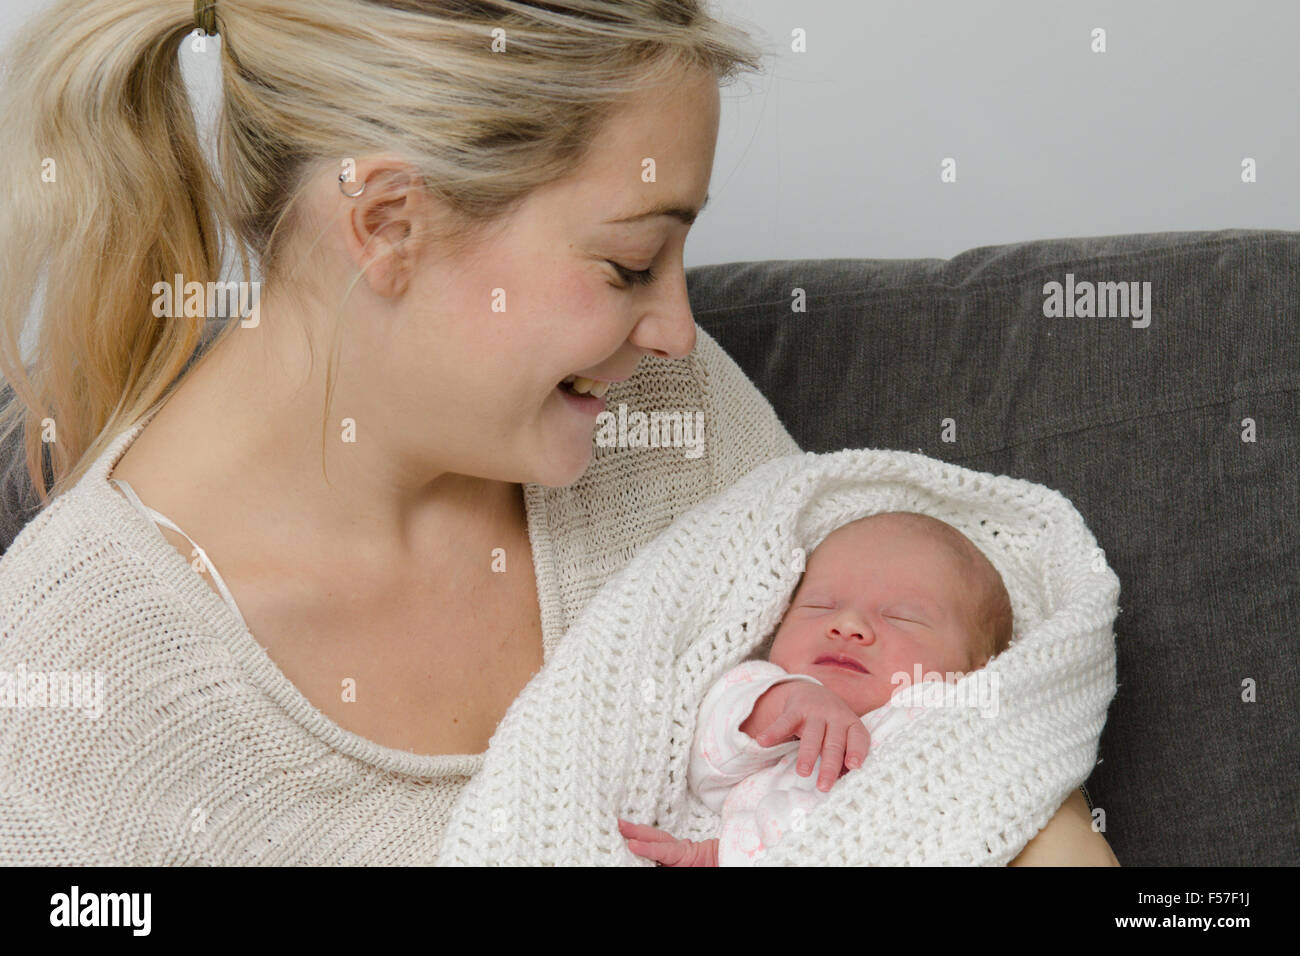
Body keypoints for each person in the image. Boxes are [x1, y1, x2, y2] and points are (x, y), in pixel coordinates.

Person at [0, 0, 1115, 866]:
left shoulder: (654, 424)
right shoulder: (71, 699)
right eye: (629, 263)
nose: (677, 329)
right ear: (388, 222)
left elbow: (980, 761)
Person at [620, 510, 1015, 866]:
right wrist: (785, 703)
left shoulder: (944, 715)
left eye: (900, 617)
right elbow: (708, 766)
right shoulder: (770, 692)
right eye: (820, 606)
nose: (847, 623)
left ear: (974, 671)